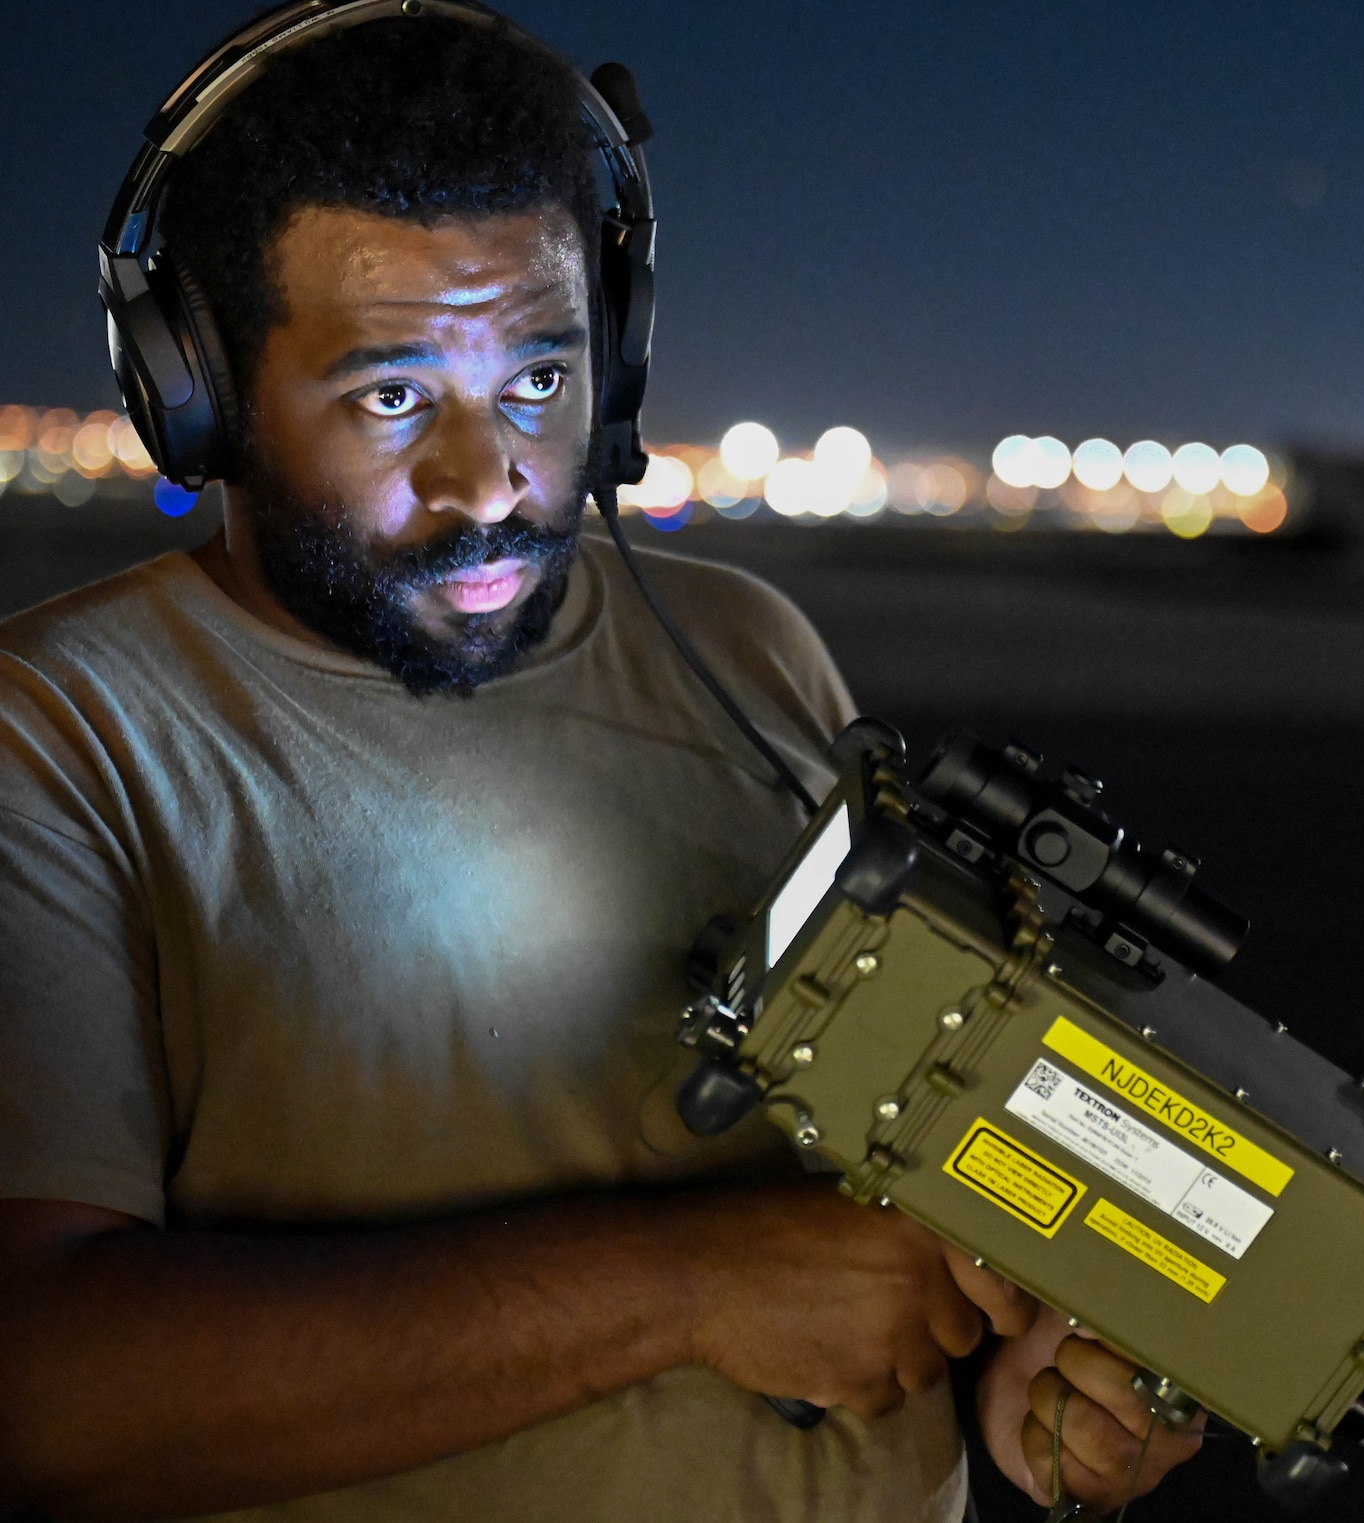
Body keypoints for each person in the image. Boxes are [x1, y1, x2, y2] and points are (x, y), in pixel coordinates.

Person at [0, 11, 1200, 1521]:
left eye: (539, 382)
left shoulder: (748, 646)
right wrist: (685, 1290)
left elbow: (894, 1140)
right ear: (202, 390)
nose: (492, 478)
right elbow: (45, 1398)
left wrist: (1030, 1369)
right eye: (391, 396)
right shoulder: (59, 740)